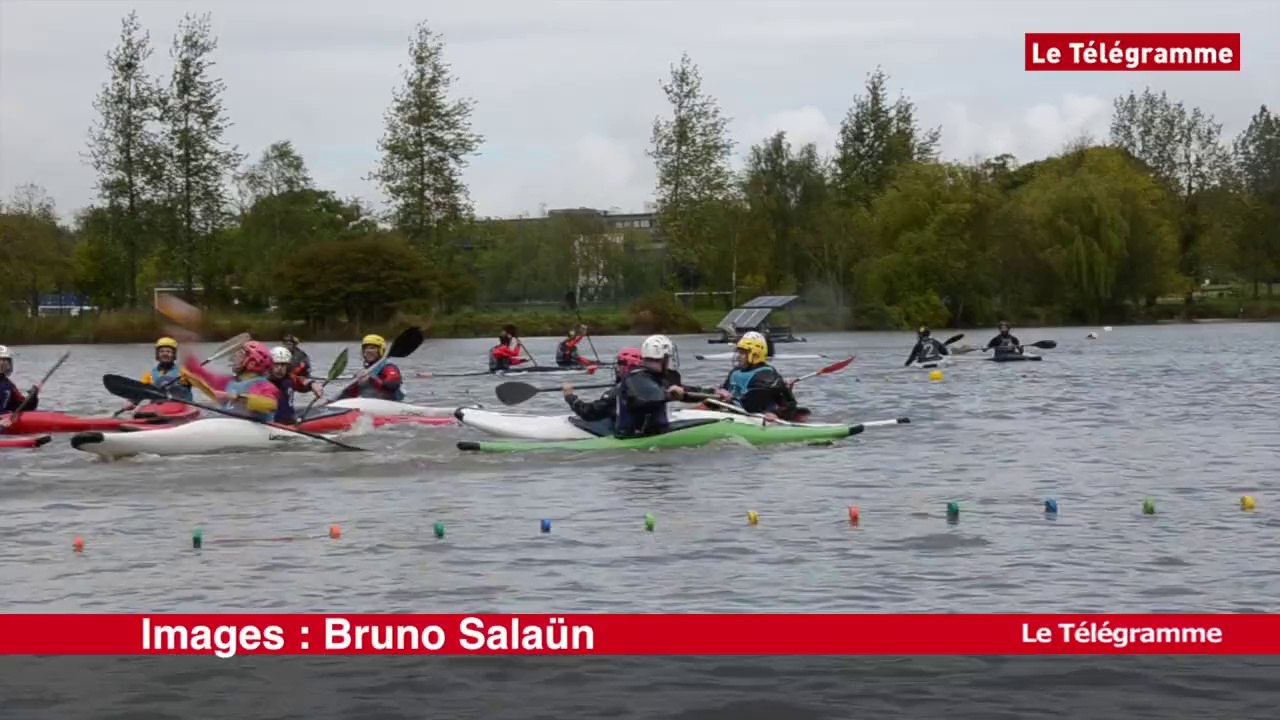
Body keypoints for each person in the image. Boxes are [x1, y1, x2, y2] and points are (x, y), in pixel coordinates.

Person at [713, 333, 807, 421]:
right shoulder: (735, 372)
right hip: (735, 411)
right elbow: (724, 391)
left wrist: (776, 414)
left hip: (757, 416)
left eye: (742, 353)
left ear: (756, 354)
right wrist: (718, 392)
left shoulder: (765, 376)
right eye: (738, 352)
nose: (738, 357)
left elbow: (751, 405)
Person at [181, 340, 279, 421]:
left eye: (240, 355)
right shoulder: (228, 382)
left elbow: (271, 405)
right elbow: (202, 374)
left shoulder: (265, 386)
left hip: (258, 431)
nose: (233, 358)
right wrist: (186, 350)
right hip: (229, 427)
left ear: (253, 362)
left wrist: (237, 397)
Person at [613, 335, 690, 437]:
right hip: (635, 437)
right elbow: (649, 396)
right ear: (664, 359)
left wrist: (710, 392)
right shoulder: (636, 378)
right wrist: (669, 395)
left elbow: (683, 389)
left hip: (656, 431)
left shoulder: (655, 377)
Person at [561, 347, 644, 424]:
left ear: (625, 366)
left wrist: (570, 397)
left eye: (619, 363)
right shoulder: (650, 383)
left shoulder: (618, 392)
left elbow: (589, 413)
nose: (617, 367)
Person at [338, 334, 404, 401]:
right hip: (364, 406)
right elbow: (349, 394)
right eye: (366, 348)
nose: (368, 351)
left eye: (372, 348)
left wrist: (373, 378)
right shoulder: (362, 373)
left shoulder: (389, 367)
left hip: (388, 405)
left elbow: (392, 385)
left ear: (380, 350)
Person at [268, 346, 323, 424]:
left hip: (290, 422)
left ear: (288, 366)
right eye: (276, 365)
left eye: (283, 365)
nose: (280, 368)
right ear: (270, 365)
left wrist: (312, 384)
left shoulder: (290, 379)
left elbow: (303, 385)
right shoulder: (264, 383)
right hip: (272, 423)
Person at [140, 337, 194, 401]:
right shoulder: (149, 375)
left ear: (174, 355)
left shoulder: (184, 372)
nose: (165, 354)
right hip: (158, 406)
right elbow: (141, 392)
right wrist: (133, 402)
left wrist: (192, 376)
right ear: (157, 354)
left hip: (182, 406)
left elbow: (201, 384)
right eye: (161, 351)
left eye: (168, 351)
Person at [0, 345, 39, 423]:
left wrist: (32, 397)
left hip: (4, 420)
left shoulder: (9, 385)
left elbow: (23, 408)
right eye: (3, 360)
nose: (6, 364)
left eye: (7, 361)